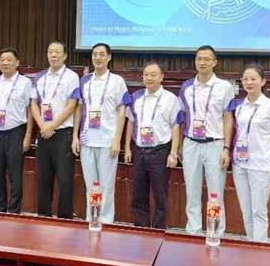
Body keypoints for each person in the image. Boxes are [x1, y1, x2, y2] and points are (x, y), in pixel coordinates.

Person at [178, 45, 234, 235]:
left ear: (215, 62)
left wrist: (226, 147)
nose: (202, 62)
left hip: (215, 144)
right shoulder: (186, 87)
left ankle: (216, 231)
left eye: (207, 59)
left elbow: (228, 118)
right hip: (191, 143)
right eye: (199, 58)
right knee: (192, 192)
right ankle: (193, 230)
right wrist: (180, 145)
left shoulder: (224, 87)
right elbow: (181, 117)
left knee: (215, 193)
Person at [72, 43, 130, 223]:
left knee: (106, 186)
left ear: (109, 57)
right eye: (95, 54)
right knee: (90, 186)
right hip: (87, 140)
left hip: (108, 141)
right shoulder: (84, 81)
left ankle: (105, 221)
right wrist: (75, 136)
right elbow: (79, 108)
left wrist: (117, 139)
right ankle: (92, 219)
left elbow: (122, 110)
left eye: (101, 54)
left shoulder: (117, 81)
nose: (97, 58)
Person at [230, 64, 270, 242]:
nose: (249, 82)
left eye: (253, 79)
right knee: (246, 209)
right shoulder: (240, 106)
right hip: (240, 164)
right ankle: (250, 244)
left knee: (258, 211)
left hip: (260, 165)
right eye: (245, 79)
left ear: (263, 81)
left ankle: (259, 248)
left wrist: (267, 153)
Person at [124, 62, 181, 229]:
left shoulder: (170, 99)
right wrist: (127, 148)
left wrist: (173, 153)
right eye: (146, 74)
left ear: (162, 77)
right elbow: (130, 122)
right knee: (138, 193)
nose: (149, 78)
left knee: (160, 195)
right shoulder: (136, 97)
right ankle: (141, 228)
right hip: (139, 150)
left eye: (153, 75)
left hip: (160, 152)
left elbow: (176, 126)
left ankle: (158, 230)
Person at [31, 41, 79, 219]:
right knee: (43, 179)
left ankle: (65, 220)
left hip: (63, 134)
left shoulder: (72, 77)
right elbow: (33, 104)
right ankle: (43, 217)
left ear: (65, 56)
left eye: (57, 52)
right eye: (50, 51)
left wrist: (52, 125)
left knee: (65, 180)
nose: (53, 55)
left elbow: (71, 106)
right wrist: (43, 125)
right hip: (44, 132)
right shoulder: (39, 77)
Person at [0, 47, 33, 213]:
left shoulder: (25, 83)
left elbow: (30, 110)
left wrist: (27, 136)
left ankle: (14, 212)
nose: (5, 63)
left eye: (9, 60)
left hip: (16, 132)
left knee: (15, 176)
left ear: (17, 62)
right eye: (2, 60)